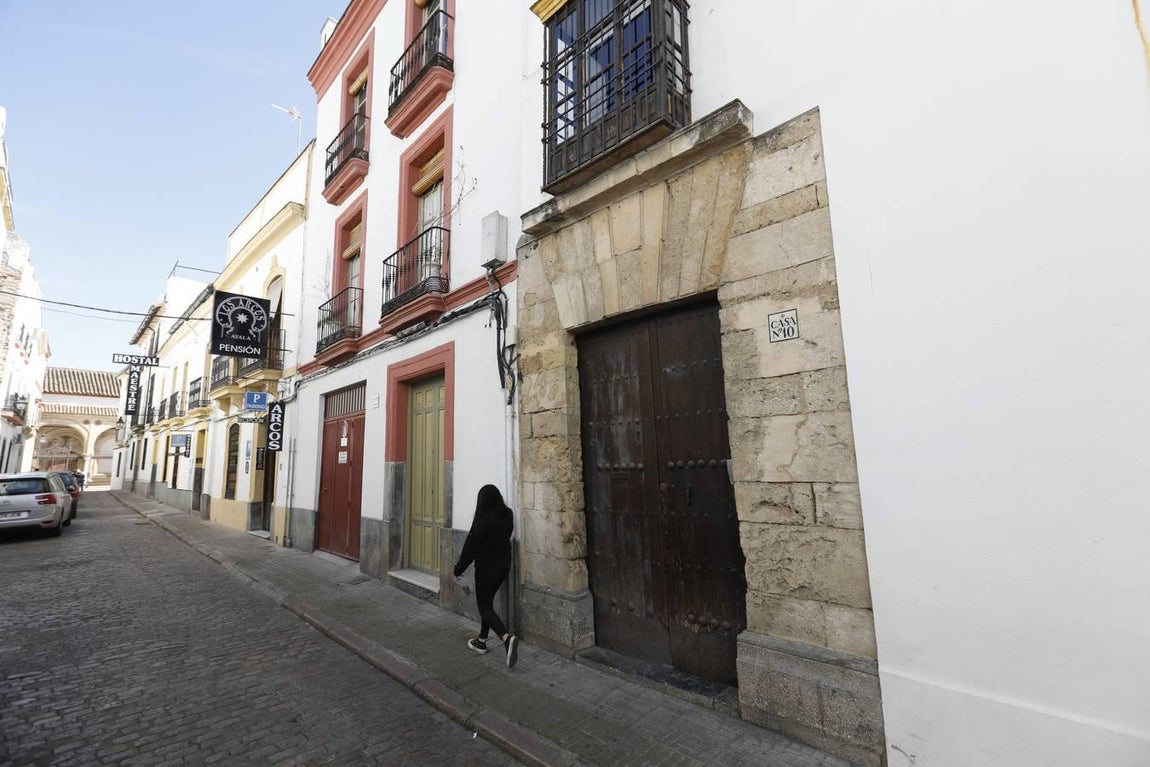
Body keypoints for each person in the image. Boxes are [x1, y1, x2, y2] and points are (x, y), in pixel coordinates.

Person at [453, 484, 519, 669]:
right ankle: (481, 641)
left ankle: (506, 638)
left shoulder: (482, 520)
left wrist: (459, 568)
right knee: (487, 603)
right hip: (503, 566)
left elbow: (470, 548)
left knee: (484, 607)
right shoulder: (508, 514)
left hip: (486, 569)